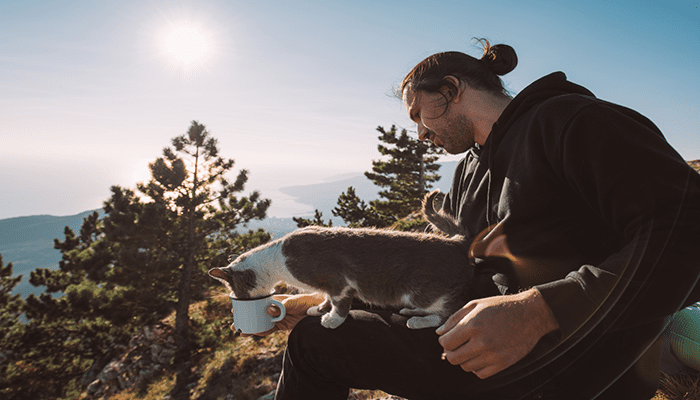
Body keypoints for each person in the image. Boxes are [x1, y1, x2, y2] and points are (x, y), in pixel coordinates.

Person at [240, 39, 700, 399]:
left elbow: (686, 234)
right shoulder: (471, 170)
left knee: (315, 348)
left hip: (573, 355)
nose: (419, 133)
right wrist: (340, 298)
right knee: (313, 330)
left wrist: (538, 311)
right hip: (482, 343)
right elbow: (444, 271)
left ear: (452, 90)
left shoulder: (574, 122)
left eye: (420, 114)